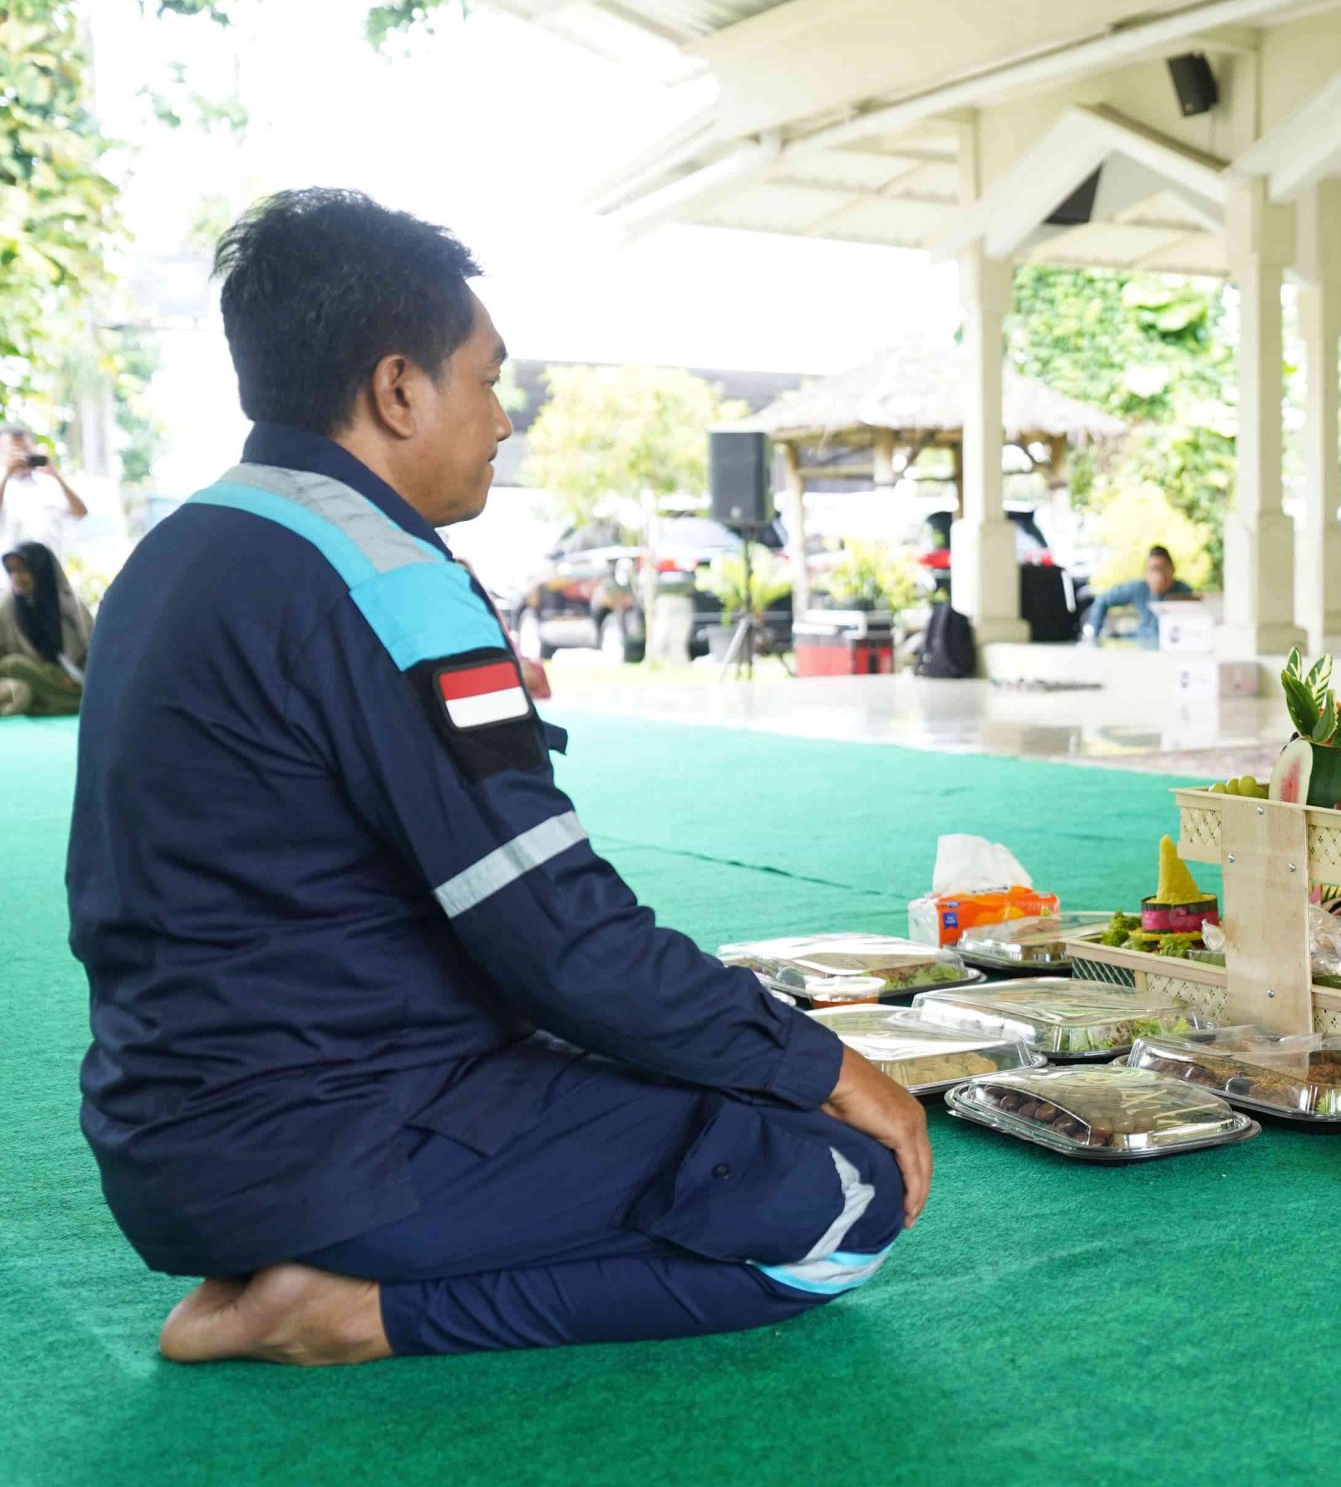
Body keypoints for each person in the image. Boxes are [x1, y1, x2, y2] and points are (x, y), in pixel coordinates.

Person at [71, 189, 930, 1366]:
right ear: (396, 389)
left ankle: (331, 1256)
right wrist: (821, 1060)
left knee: (686, 1074)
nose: (504, 419)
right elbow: (559, 943)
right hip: (335, 1139)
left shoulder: (179, 550)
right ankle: (354, 1314)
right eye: (488, 380)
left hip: (171, 1130)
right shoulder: (384, 576)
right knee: (841, 1191)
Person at [0, 541, 92, 716]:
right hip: (18, 674)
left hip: (71, 679)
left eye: (22, 571)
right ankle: (78, 702)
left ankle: (55, 703)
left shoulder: (69, 604)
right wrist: (54, 676)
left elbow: (93, 647)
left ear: (41, 572)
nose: (16, 578)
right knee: (15, 666)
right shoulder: (5, 606)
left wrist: (75, 675)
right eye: (12, 572)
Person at [1, 424, 89, 555]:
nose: (21, 457)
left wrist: (56, 475)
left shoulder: (50, 483)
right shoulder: (4, 485)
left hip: (49, 569)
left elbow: (80, 513)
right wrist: (7, 474)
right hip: (11, 570)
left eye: (26, 451)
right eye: (14, 452)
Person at [1082, 544, 1193, 645]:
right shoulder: (1138, 587)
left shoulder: (1185, 591)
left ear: (1172, 569)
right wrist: (1094, 637)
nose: (1159, 574)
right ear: (1146, 573)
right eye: (1153, 569)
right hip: (1141, 643)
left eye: (1163, 568)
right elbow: (1102, 600)